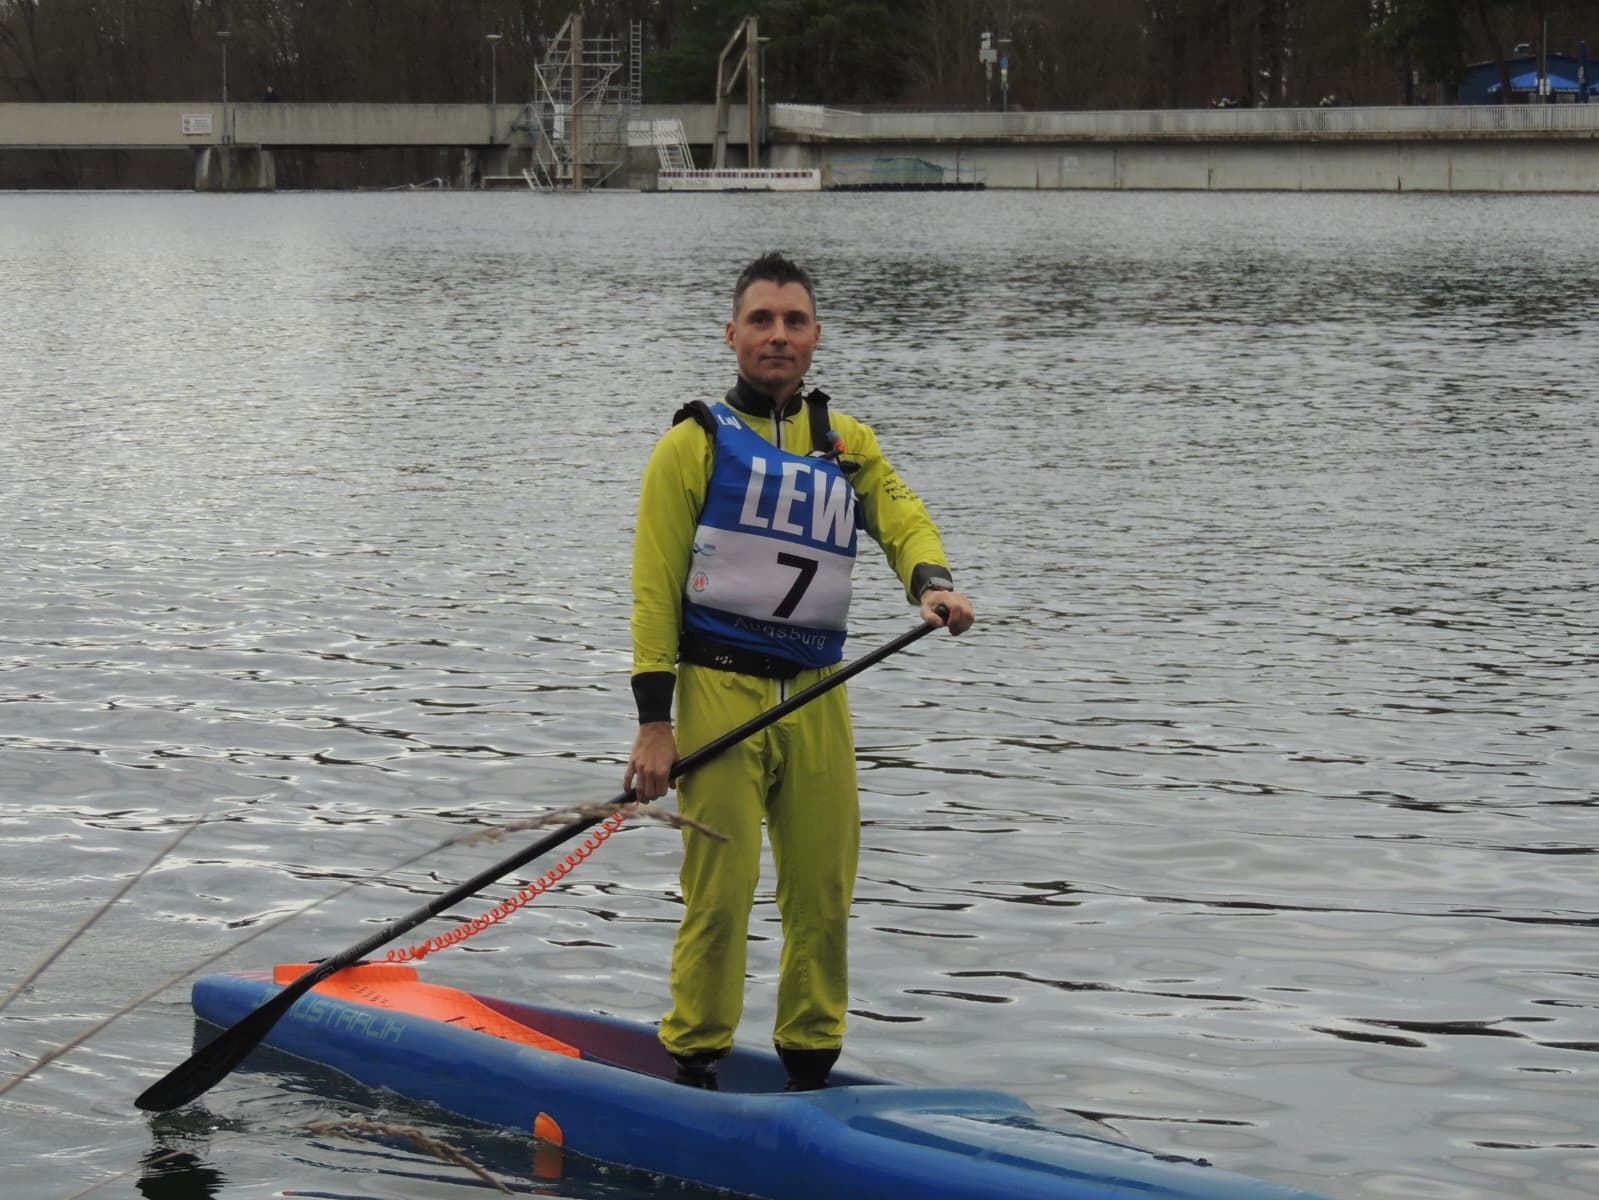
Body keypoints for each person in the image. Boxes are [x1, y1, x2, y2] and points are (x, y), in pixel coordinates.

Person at [623, 251, 976, 1092]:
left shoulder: (846, 443)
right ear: (732, 334)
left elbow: (901, 517)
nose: (776, 336)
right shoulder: (691, 444)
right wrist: (654, 724)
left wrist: (931, 583)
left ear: (815, 336)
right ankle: (694, 1063)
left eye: (793, 321)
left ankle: (810, 1067)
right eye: (760, 321)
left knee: (821, 892)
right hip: (717, 693)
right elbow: (653, 589)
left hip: (818, 693)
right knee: (721, 893)